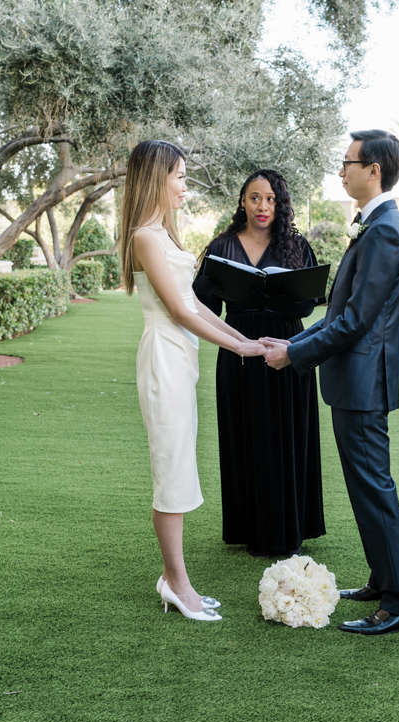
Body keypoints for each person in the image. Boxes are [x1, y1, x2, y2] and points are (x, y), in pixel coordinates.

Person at [261, 130, 399, 635]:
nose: (341, 170)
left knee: (375, 489)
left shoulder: (387, 231)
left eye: (347, 162)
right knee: (364, 487)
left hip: (362, 383)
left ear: (373, 169)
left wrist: (294, 354)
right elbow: (341, 314)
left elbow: (355, 322)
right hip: (352, 381)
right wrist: (295, 342)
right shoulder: (374, 227)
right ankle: (382, 578)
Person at [120, 140, 267, 622]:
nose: (186, 185)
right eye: (179, 176)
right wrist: (241, 349)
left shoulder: (164, 235)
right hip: (163, 358)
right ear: (155, 179)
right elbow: (180, 311)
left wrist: (245, 337)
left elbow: (197, 305)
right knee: (173, 473)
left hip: (181, 359)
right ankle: (178, 585)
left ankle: (175, 580)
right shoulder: (145, 235)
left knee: (179, 466)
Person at [193, 169, 326, 559]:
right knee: (244, 436)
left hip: (288, 345)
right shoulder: (220, 246)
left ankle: (290, 527)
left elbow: (309, 302)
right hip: (238, 350)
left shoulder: (296, 246)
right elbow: (202, 305)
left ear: (280, 204)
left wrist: (284, 293)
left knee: (287, 435)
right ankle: (249, 527)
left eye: (270, 199)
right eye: (254, 198)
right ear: (242, 202)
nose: (262, 206)